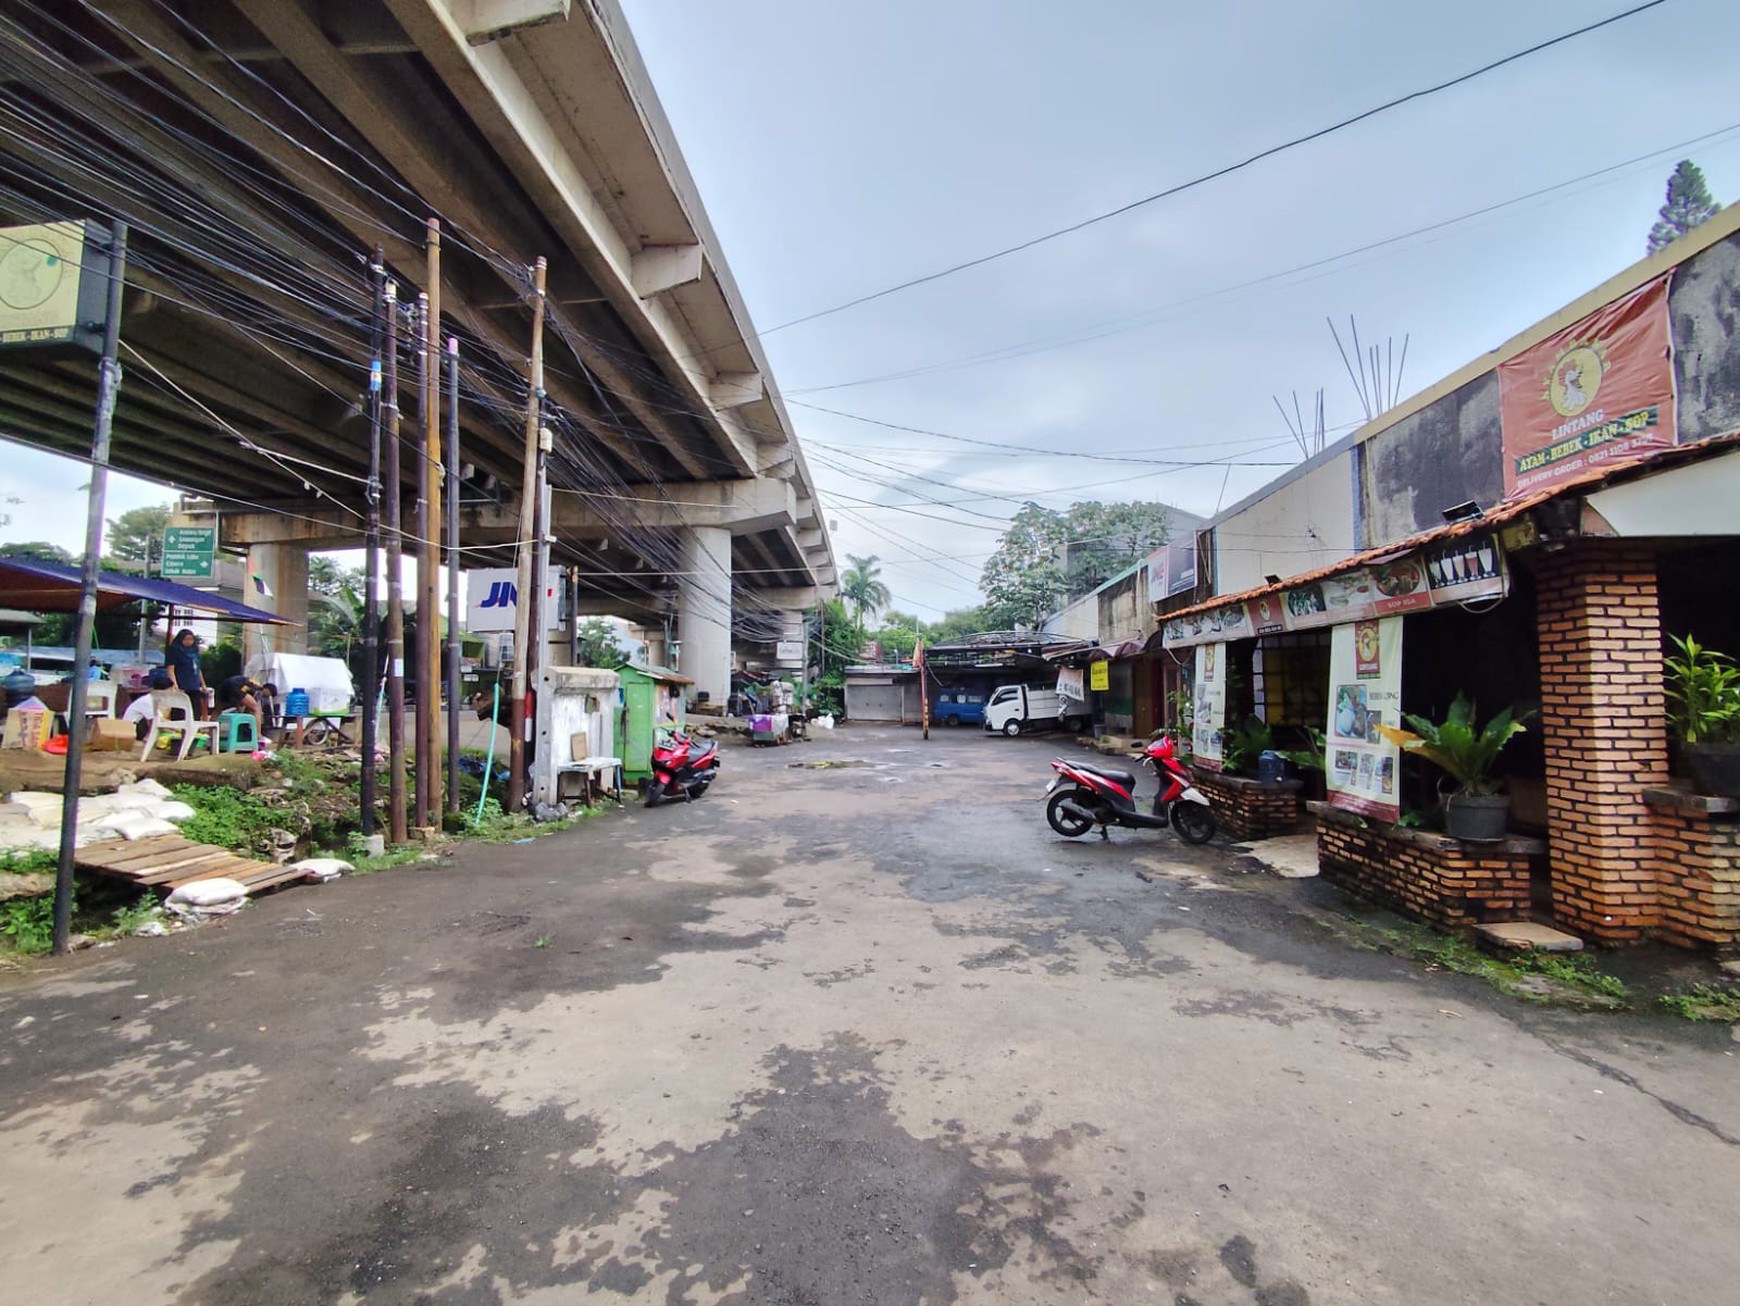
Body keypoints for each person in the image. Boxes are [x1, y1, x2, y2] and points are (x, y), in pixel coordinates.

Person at [165, 628, 207, 716]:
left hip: (194, 685)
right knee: (180, 710)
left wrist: (203, 684)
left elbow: (197, 669)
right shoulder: (174, 650)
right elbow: (170, 669)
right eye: (186, 639)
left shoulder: (195, 652)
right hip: (181, 684)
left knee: (195, 710)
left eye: (191, 639)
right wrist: (174, 684)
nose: (188, 641)